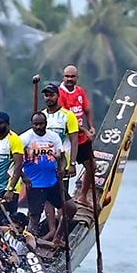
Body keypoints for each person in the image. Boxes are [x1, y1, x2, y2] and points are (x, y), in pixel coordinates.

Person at [14, 112, 76, 246]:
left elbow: (62, 157)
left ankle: (58, 237)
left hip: (53, 183)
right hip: (35, 185)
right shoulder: (24, 138)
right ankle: (31, 246)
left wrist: (62, 168)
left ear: (46, 124)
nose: (38, 127)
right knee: (34, 217)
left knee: (71, 208)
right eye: (35, 124)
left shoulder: (53, 137)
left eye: (41, 124)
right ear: (32, 124)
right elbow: (15, 163)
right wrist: (23, 176)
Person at [59, 65, 97, 206]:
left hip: (82, 140)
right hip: (69, 141)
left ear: (76, 78)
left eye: (72, 77)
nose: (69, 79)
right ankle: (63, 206)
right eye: (67, 76)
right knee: (65, 173)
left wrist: (91, 126)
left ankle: (82, 196)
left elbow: (87, 109)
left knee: (92, 166)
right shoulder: (60, 94)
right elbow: (68, 121)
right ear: (63, 77)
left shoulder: (80, 91)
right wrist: (85, 130)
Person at [0, 111, 24, 220]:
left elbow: (18, 165)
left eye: (0, 123)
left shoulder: (14, 139)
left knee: (8, 220)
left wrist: (10, 189)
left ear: (7, 124)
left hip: (9, 187)